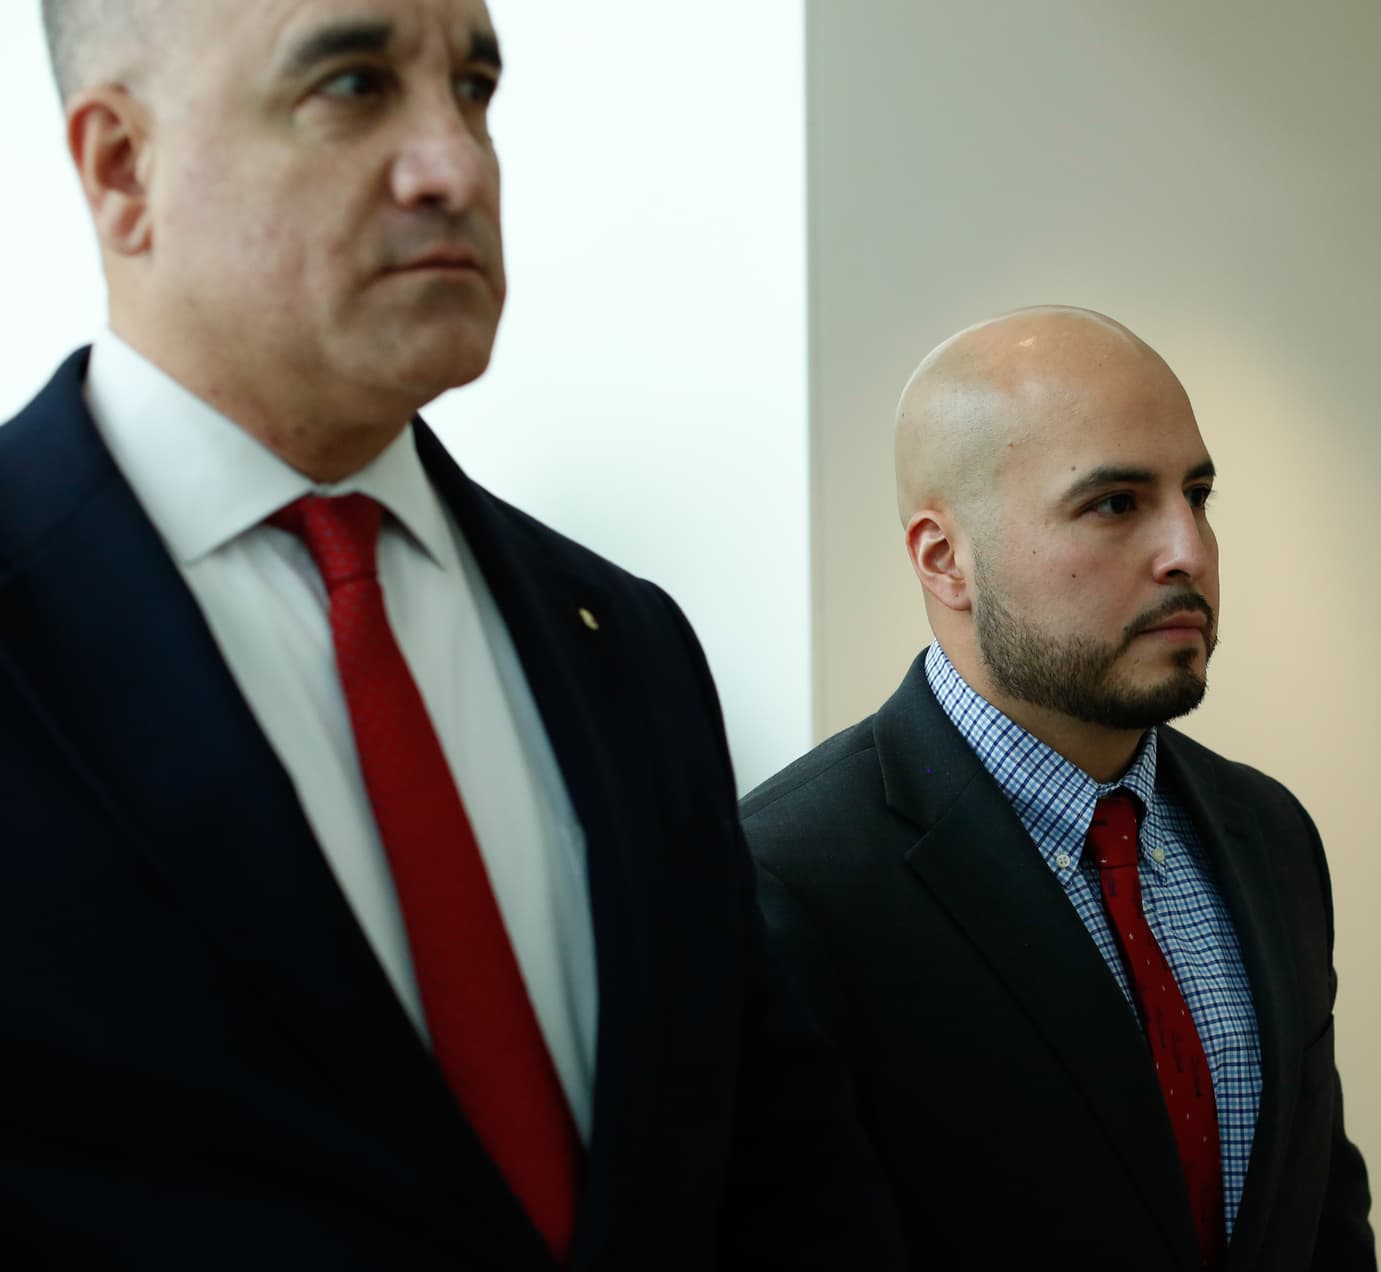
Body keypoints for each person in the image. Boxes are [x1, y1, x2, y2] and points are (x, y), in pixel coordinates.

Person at [0, 1, 901, 1267]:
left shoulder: (625, 645)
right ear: (121, 167)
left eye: (474, 87)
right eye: (354, 84)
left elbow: (783, 1173)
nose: (457, 164)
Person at [743, 306, 1376, 1270]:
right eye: (1116, 503)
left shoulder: (1268, 833)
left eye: (1197, 495)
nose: (1189, 552)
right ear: (943, 558)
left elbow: (1322, 1215)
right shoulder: (787, 883)